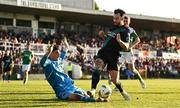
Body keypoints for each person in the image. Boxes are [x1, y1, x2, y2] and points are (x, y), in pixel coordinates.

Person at [88, 9, 131, 101]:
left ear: (122, 18)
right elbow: (108, 42)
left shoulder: (126, 31)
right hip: (103, 52)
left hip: (114, 56)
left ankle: (122, 91)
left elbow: (127, 46)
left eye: (117, 18)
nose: (114, 20)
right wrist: (103, 36)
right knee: (98, 65)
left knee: (115, 81)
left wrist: (120, 41)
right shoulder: (112, 28)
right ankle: (93, 90)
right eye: (114, 18)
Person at [40, 45, 106, 102]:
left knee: (84, 93)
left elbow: (64, 52)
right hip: (62, 89)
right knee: (77, 96)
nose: (59, 54)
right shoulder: (48, 63)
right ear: (51, 54)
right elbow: (42, 63)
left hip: (71, 86)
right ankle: (94, 99)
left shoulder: (58, 61)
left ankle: (91, 93)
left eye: (59, 53)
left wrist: (66, 45)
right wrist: (48, 51)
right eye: (57, 53)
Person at [118, 15, 146, 88]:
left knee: (132, 69)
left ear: (129, 21)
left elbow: (138, 40)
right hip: (121, 52)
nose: (125, 22)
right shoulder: (120, 29)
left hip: (128, 53)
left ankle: (141, 80)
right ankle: (118, 85)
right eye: (124, 20)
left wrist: (130, 46)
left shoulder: (131, 30)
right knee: (117, 67)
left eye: (126, 21)